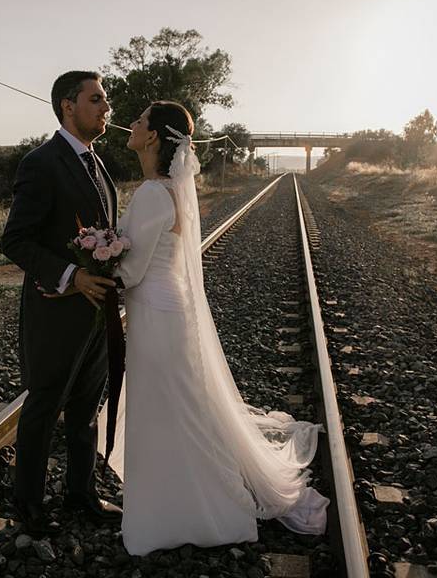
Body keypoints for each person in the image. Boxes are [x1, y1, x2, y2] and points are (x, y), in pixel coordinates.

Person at [97, 101, 329, 556]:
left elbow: (134, 269)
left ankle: (186, 511)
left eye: (142, 120)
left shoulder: (150, 194)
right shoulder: (170, 190)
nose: (133, 123)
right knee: (180, 408)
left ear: (154, 138)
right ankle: (186, 501)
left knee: (166, 411)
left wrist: (96, 260)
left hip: (156, 315)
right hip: (171, 311)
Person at [1, 70, 123, 536]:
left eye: (104, 100)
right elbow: (15, 240)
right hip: (56, 311)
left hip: (96, 314)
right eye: (97, 99)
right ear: (68, 105)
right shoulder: (42, 162)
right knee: (44, 407)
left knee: (86, 408)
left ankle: (81, 492)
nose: (106, 108)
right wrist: (71, 275)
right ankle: (28, 504)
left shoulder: (97, 163)